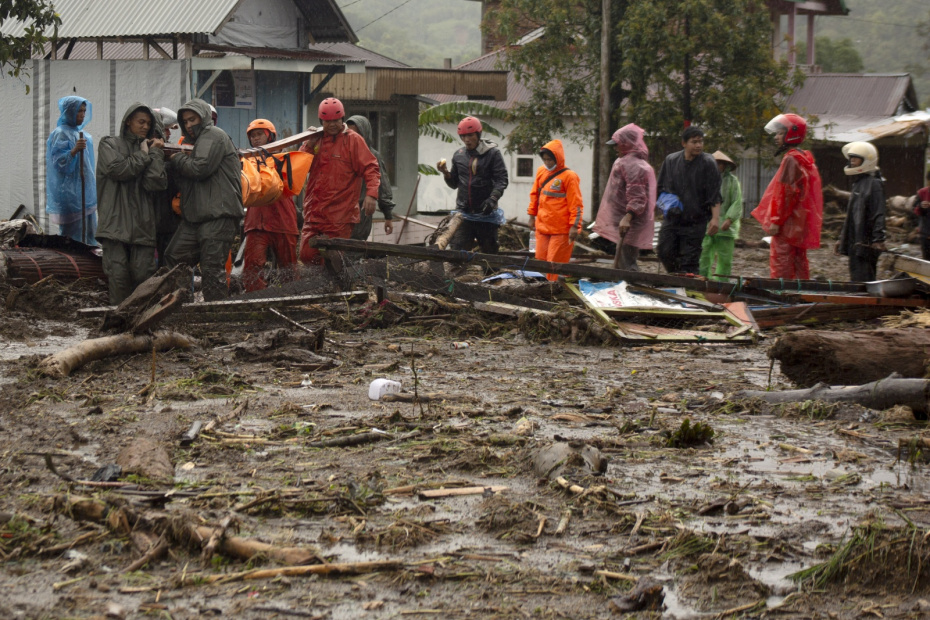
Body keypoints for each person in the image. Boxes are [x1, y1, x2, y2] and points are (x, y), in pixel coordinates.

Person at [165, 98, 243, 301]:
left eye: (193, 119)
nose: (190, 125)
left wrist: (175, 158)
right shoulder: (194, 144)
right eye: (186, 122)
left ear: (204, 117)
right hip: (196, 217)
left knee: (211, 268)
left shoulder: (213, 135)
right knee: (175, 256)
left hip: (218, 215)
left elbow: (199, 168)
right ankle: (180, 304)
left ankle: (214, 314)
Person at [95, 103, 168, 304]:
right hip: (115, 224)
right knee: (118, 277)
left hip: (143, 226)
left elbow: (155, 182)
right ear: (128, 121)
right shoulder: (109, 144)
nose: (145, 127)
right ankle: (119, 328)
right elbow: (118, 170)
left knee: (143, 277)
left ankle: (144, 326)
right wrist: (143, 155)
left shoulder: (151, 149)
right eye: (140, 122)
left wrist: (154, 154)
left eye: (148, 123)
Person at [298, 98, 380, 265]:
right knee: (306, 255)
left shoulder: (354, 140)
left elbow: (371, 167)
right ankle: (319, 286)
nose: (332, 124)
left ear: (342, 119)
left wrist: (372, 195)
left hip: (340, 216)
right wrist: (308, 146)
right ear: (321, 121)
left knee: (335, 259)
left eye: (336, 120)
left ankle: (338, 288)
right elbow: (299, 169)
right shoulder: (315, 139)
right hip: (314, 213)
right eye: (328, 121)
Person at [751, 113, 823, 280]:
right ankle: (802, 295)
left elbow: (785, 193)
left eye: (780, 133)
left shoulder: (791, 159)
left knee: (781, 263)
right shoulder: (804, 158)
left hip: (787, 224)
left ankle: (782, 298)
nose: (776, 137)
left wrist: (776, 220)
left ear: (792, 133)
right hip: (798, 222)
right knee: (798, 262)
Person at [437, 116, 509, 254]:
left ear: (478, 134)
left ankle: (492, 274)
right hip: (463, 215)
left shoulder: (492, 154)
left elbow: (502, 180)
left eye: (470, 135)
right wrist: (445, 172)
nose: (466, 140)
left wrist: (492, 199)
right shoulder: (458, 155)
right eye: (463, 136)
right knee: (457, 252)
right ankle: (455, 276)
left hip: (486, 213)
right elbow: (454, 184)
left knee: (490, 254)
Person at [241, 119, 299, 291]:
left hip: (283, 220)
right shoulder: (247, 162)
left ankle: (293, 301)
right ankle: (257, 304)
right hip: (256, 222)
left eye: (259, 134)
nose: (255, 139)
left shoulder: (283, 159)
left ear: (270, 136)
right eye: (252, 136)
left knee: (289, 269)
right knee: (251, 267)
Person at [655, 126, 721, 274]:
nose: (698, 145)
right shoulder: (671, 160)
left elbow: (714, 194)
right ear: (684, 143)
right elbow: (660, 188)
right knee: (664, 251)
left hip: (696, 220)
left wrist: (715, 218)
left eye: (701, 141)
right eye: (694, 142)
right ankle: (676, 281)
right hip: (673, 218)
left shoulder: (708, 162)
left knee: (689, 259)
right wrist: (666, 205)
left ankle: (688, 289)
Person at [592, 124, 656, 271]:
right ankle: (624, 285)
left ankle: (633, 288)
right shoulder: (626, 161)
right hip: (624, 219)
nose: (615, 148)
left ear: (627, 144)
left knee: (626, 262)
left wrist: (628, 217)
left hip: (630, 221)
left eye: (618, 145)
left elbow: (638, 197)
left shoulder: (634, 165)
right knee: (622, 259)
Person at [526, 139, 583, 281]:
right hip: (543, 227)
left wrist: (575, 226)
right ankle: (542, 289)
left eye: (550, 160)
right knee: (540, 260)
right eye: (545, 160)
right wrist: (531, 216)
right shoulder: (541, 172)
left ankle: (553, 290)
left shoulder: (569, 177)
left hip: (561, 230)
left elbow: (576, 204)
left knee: (555, 264)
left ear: (558, 158)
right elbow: (535, 195)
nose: (547, 163)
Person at [46, 96, 98, 245]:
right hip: (70, 194)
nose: (82, 115)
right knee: (73, 236)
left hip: (85, 193)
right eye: (78, 111)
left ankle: (89, 265)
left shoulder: (85, 135)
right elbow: (58, 163)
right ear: (68, 112)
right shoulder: (60, 133)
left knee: (89, 232)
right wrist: (73, 151)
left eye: (84, 111)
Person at [835, 141, 886, 282]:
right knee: (856, 275)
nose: (851, 161)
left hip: (866, 241)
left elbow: (879, 213)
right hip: (855, 240)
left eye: (855, 158)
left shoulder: (874, 184)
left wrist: (878, 238)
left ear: (866, 160)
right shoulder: (858, 183)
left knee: (865, 278)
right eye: (850, 158)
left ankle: (866, 303)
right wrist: (842, 239)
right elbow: (850, 216)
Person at [346, 115, 395, 240]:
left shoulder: (372, 156)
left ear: (364, 134)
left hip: (362, 211)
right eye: (349, 134)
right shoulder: (341, 153)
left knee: (354, 248)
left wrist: (388, 216)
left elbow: (382, 187)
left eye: (357, 134)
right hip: (340, 210)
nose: (353, 138)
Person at [698, 151, 743, 281]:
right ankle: (702, 279)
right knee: (704, 254)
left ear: (725, 165)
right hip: (706, 224)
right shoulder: (703, 181)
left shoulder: (732, 181)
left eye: (719, 164)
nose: (717, 167)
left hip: (725, 227)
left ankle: (722, 282)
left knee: (725, 257)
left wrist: (729, 219)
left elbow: (737, 201)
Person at [152, 108, 181, 267]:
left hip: (169, 219)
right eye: (166, 129)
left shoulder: (171, 153)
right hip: (157, 220)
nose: (169, 134)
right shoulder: (152, 153)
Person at [914, 171, 930, 260]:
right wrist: (921, 206)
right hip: (925, 231)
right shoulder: (922, 193)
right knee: (926, 260)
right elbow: (915, 209)